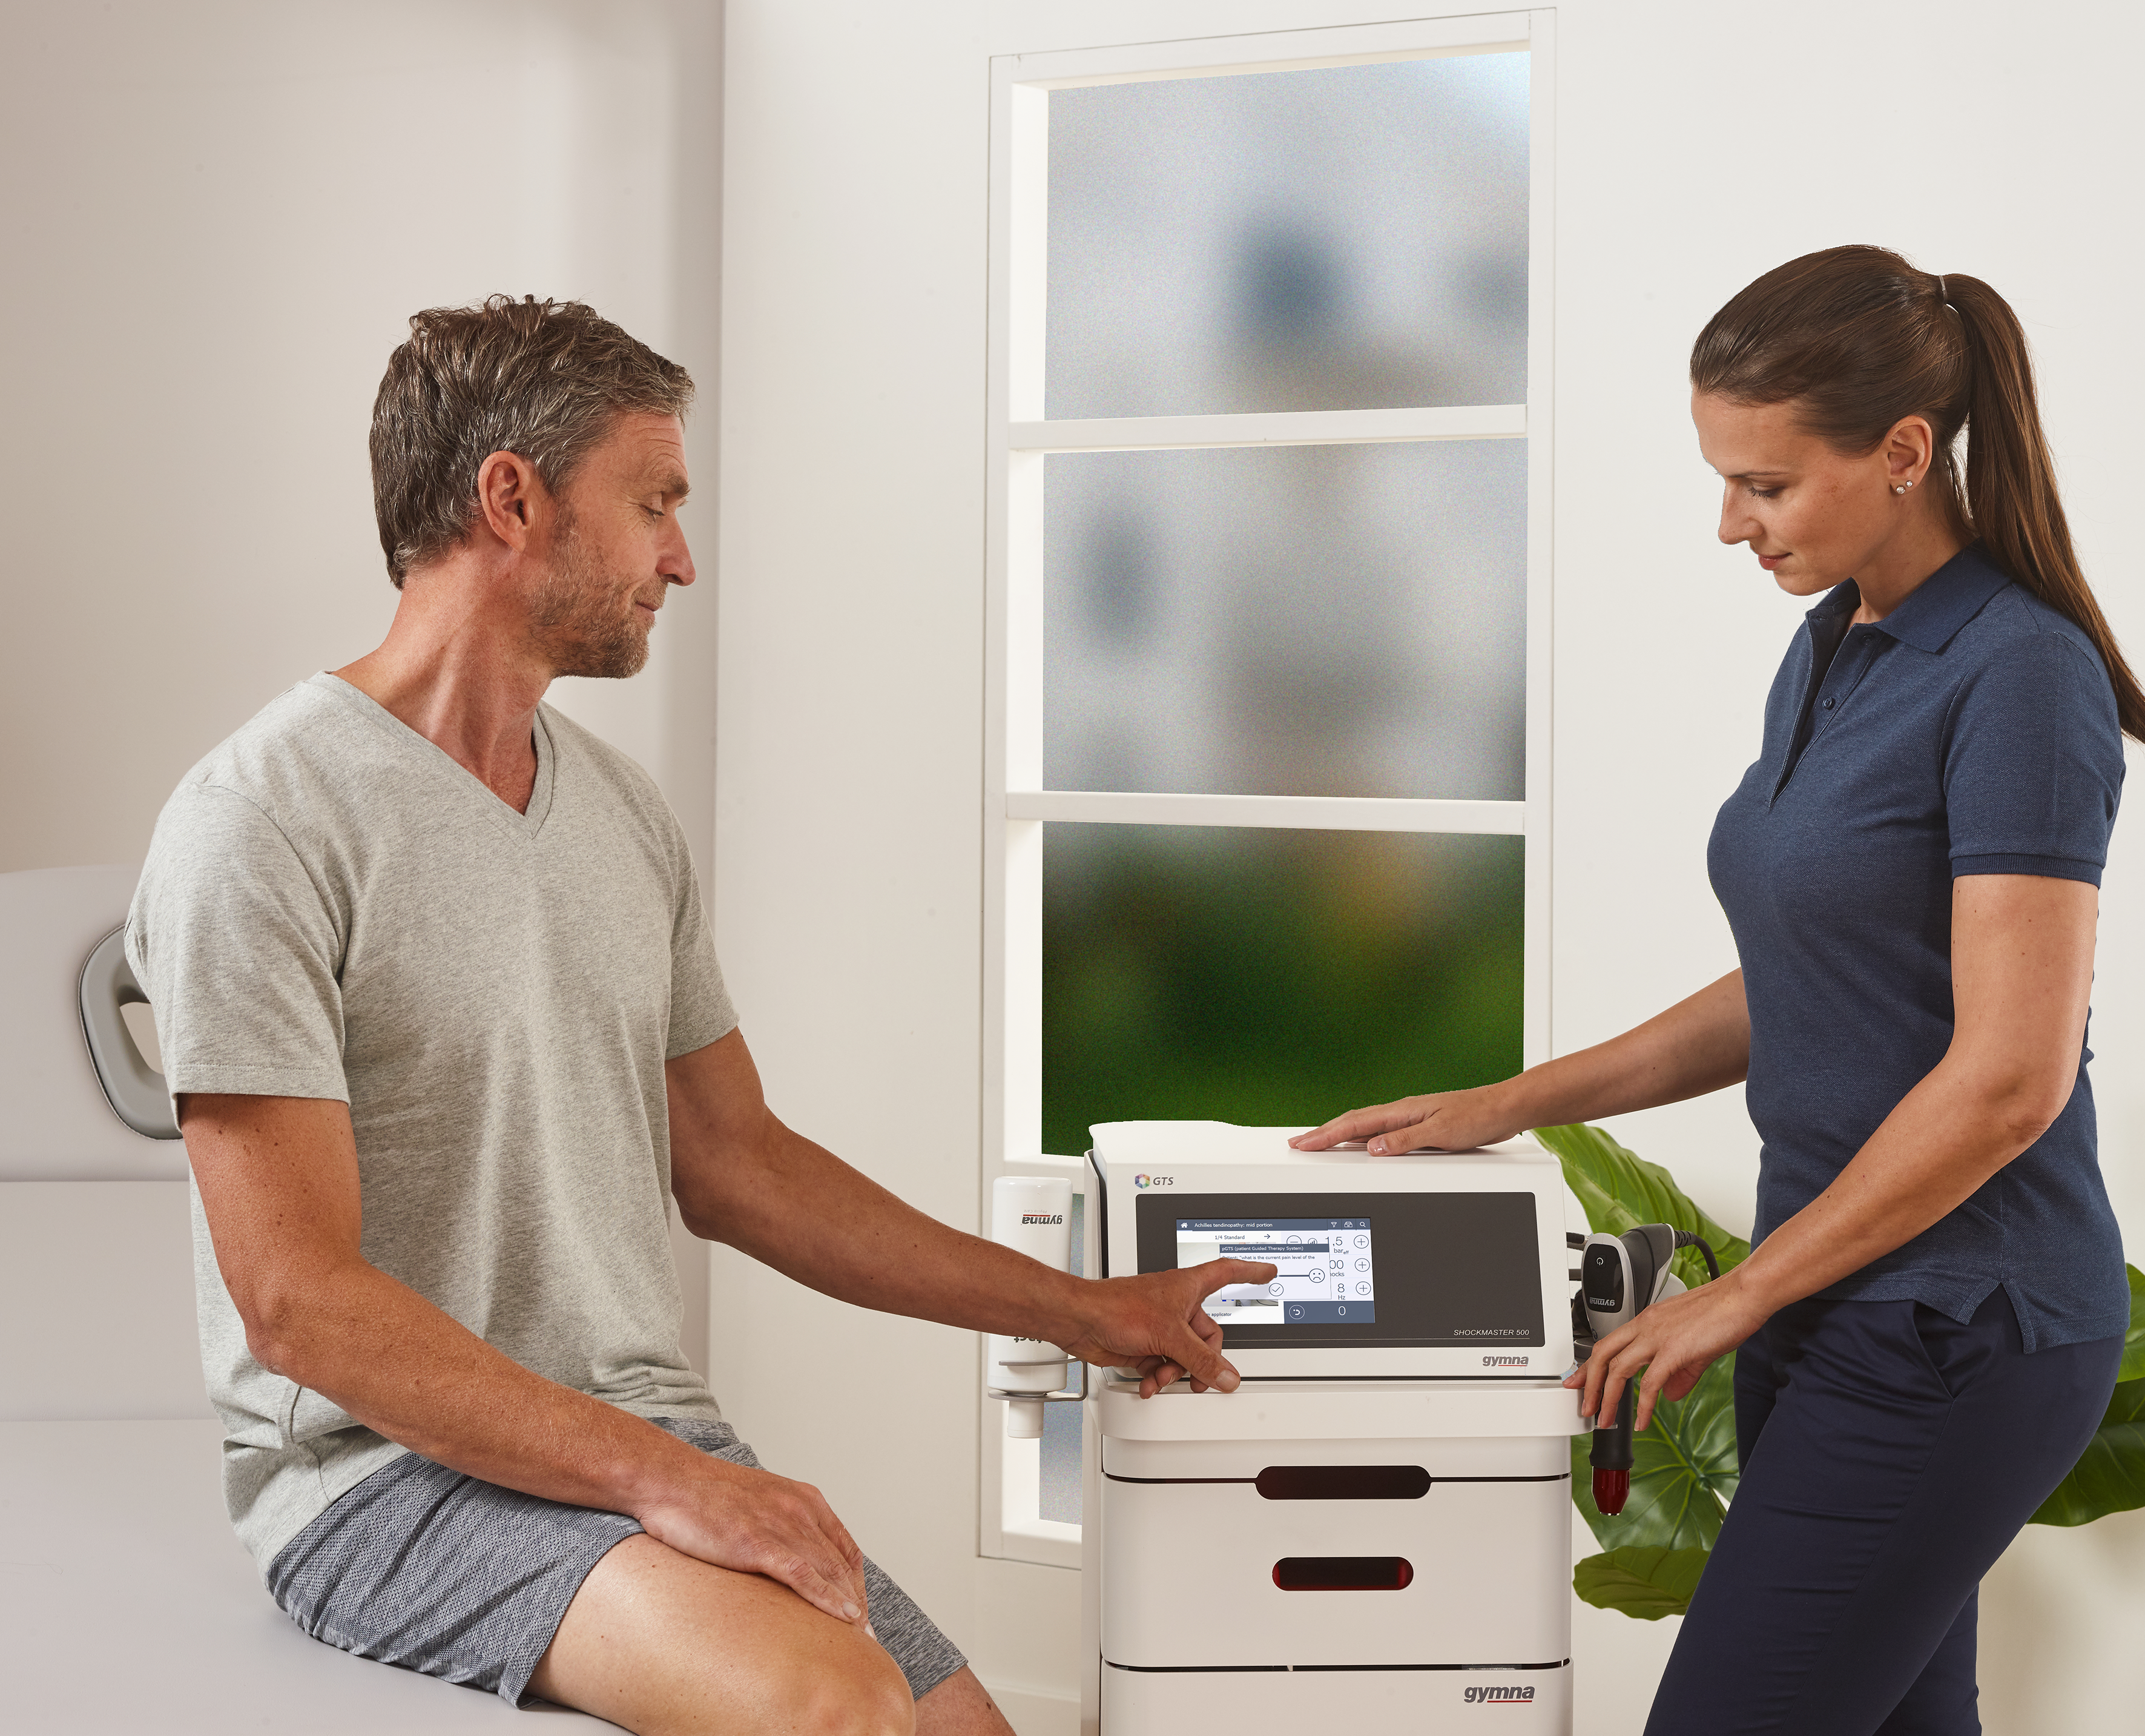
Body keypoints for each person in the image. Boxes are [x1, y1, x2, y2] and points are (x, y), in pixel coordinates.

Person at [127, 295, 1272, 1736]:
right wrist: (670, 1479)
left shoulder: (617, 813)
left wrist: (1086, 1311)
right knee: (834, 1706)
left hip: (630, 1436)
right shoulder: (260, 822)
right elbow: (299, 1304)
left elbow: (739, 1163)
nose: (682, 555)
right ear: (511, 496)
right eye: (653, 501)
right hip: (381, 1481)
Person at [1291, 245, 2133, 1734]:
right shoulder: (1832, 646)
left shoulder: (2021, 673)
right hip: (1827, 1290)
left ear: (1901, 454)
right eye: (1722, 478)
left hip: (1954, 1321)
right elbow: (1809, 977)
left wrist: (1738, 1290)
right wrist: (1506, 1097)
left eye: (1764, 484)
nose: (1728, 524)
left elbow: (2012, 1076)